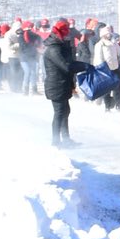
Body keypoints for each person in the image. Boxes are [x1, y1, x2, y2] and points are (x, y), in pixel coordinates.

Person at [40, 18, 89, 146]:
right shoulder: (53, 49)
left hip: (63, 84)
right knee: (59, 112)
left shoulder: (61, 46)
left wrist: (85, 65)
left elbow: (70, 63)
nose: (68, 36)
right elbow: (66, 66)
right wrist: (84, 66)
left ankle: (66, 139)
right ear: (61, 34)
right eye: (66, 33)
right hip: (56, 85)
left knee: (65, 111)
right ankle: (56, 141)